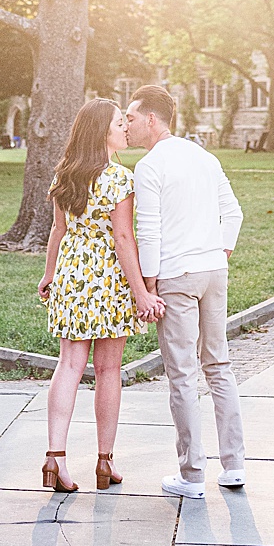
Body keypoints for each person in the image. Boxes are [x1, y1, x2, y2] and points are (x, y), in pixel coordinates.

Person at [125, 83, 249, 500]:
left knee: (182, 374)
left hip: (177, 277)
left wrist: (148, 284)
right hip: (214, 270)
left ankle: (192, 474)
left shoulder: (149, 166)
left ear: (152, 120)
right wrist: (219, 250)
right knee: (219, 365)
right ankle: (234, 466)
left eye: (131, 117)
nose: (126, 124)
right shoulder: (204, 156)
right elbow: (233, 213)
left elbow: (149, 230)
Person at [36, 98, 165, 492]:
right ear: (102, 133)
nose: (125, 128)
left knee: (69, 365)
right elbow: (124, 238)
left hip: (72, 277)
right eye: (117, 124)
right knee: (108, 369)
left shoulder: (65, 174)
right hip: (108, 280)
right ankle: (104, 462)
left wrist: (49, 275)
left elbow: (57, 232)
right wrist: (142, 292)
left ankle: (54, 458)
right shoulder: (118, 178)